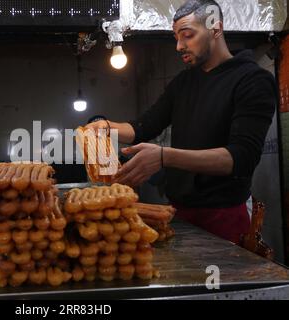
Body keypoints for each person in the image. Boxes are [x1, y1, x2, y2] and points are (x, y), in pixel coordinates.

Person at [85, 0, 277, 244]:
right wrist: (106, 127)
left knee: (220, 280)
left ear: (215, 29)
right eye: (176, 37)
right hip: (179, 212)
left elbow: (241, 158)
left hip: (224, 213)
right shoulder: (183, 83)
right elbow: (144, 126)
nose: (179, 46)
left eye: (187, 35)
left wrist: (164, 157)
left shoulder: (252, 80)